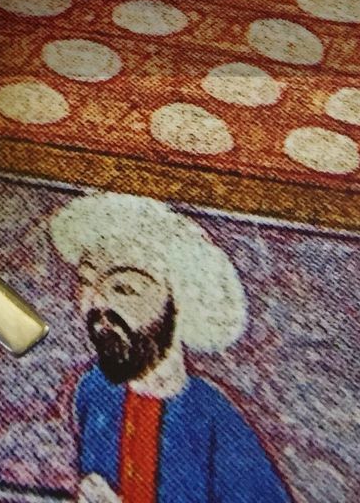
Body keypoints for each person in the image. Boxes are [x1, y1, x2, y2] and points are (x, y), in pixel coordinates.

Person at [49, 193, 290, 503]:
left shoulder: (212, 418)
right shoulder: (92, 392)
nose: (96, 303)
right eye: (86, 282)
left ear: (179, 305)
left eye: (124, 288)